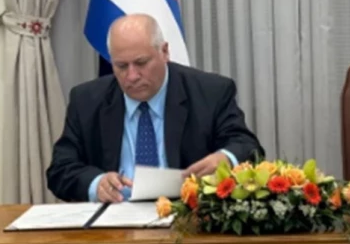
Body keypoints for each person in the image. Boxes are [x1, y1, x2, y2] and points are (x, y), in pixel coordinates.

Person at [46, 14, 264, 203]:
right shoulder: (87, 101)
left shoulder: (210, 92)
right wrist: (96, 184)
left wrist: (225, 158)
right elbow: (60, 170)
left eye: (141, 63)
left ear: (165, 51)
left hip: (187, 216)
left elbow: (247, 147)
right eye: (121, 66)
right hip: (116, 219)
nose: (132, 76)